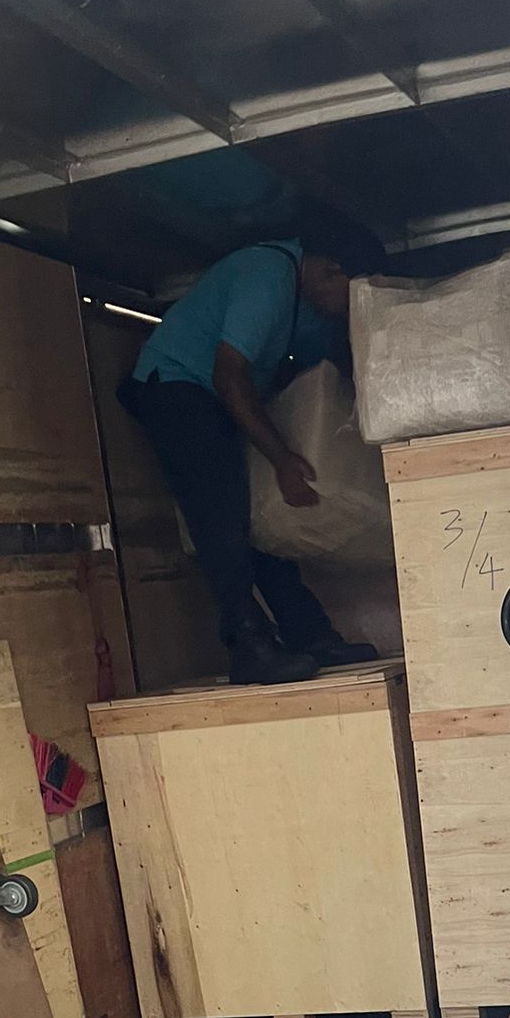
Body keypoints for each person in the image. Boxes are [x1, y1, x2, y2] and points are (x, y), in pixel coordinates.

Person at [119, 232, 382, 685]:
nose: (349, 307)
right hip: (175, 388)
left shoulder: (310, 309)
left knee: (257, 519)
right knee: (221, 515)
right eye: (351, 293)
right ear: (329, 270)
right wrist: (281, 459)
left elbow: (327, 376)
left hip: (218, 397)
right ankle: (248, 644)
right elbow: (229, 375)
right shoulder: (269, 278)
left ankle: (308, 632)